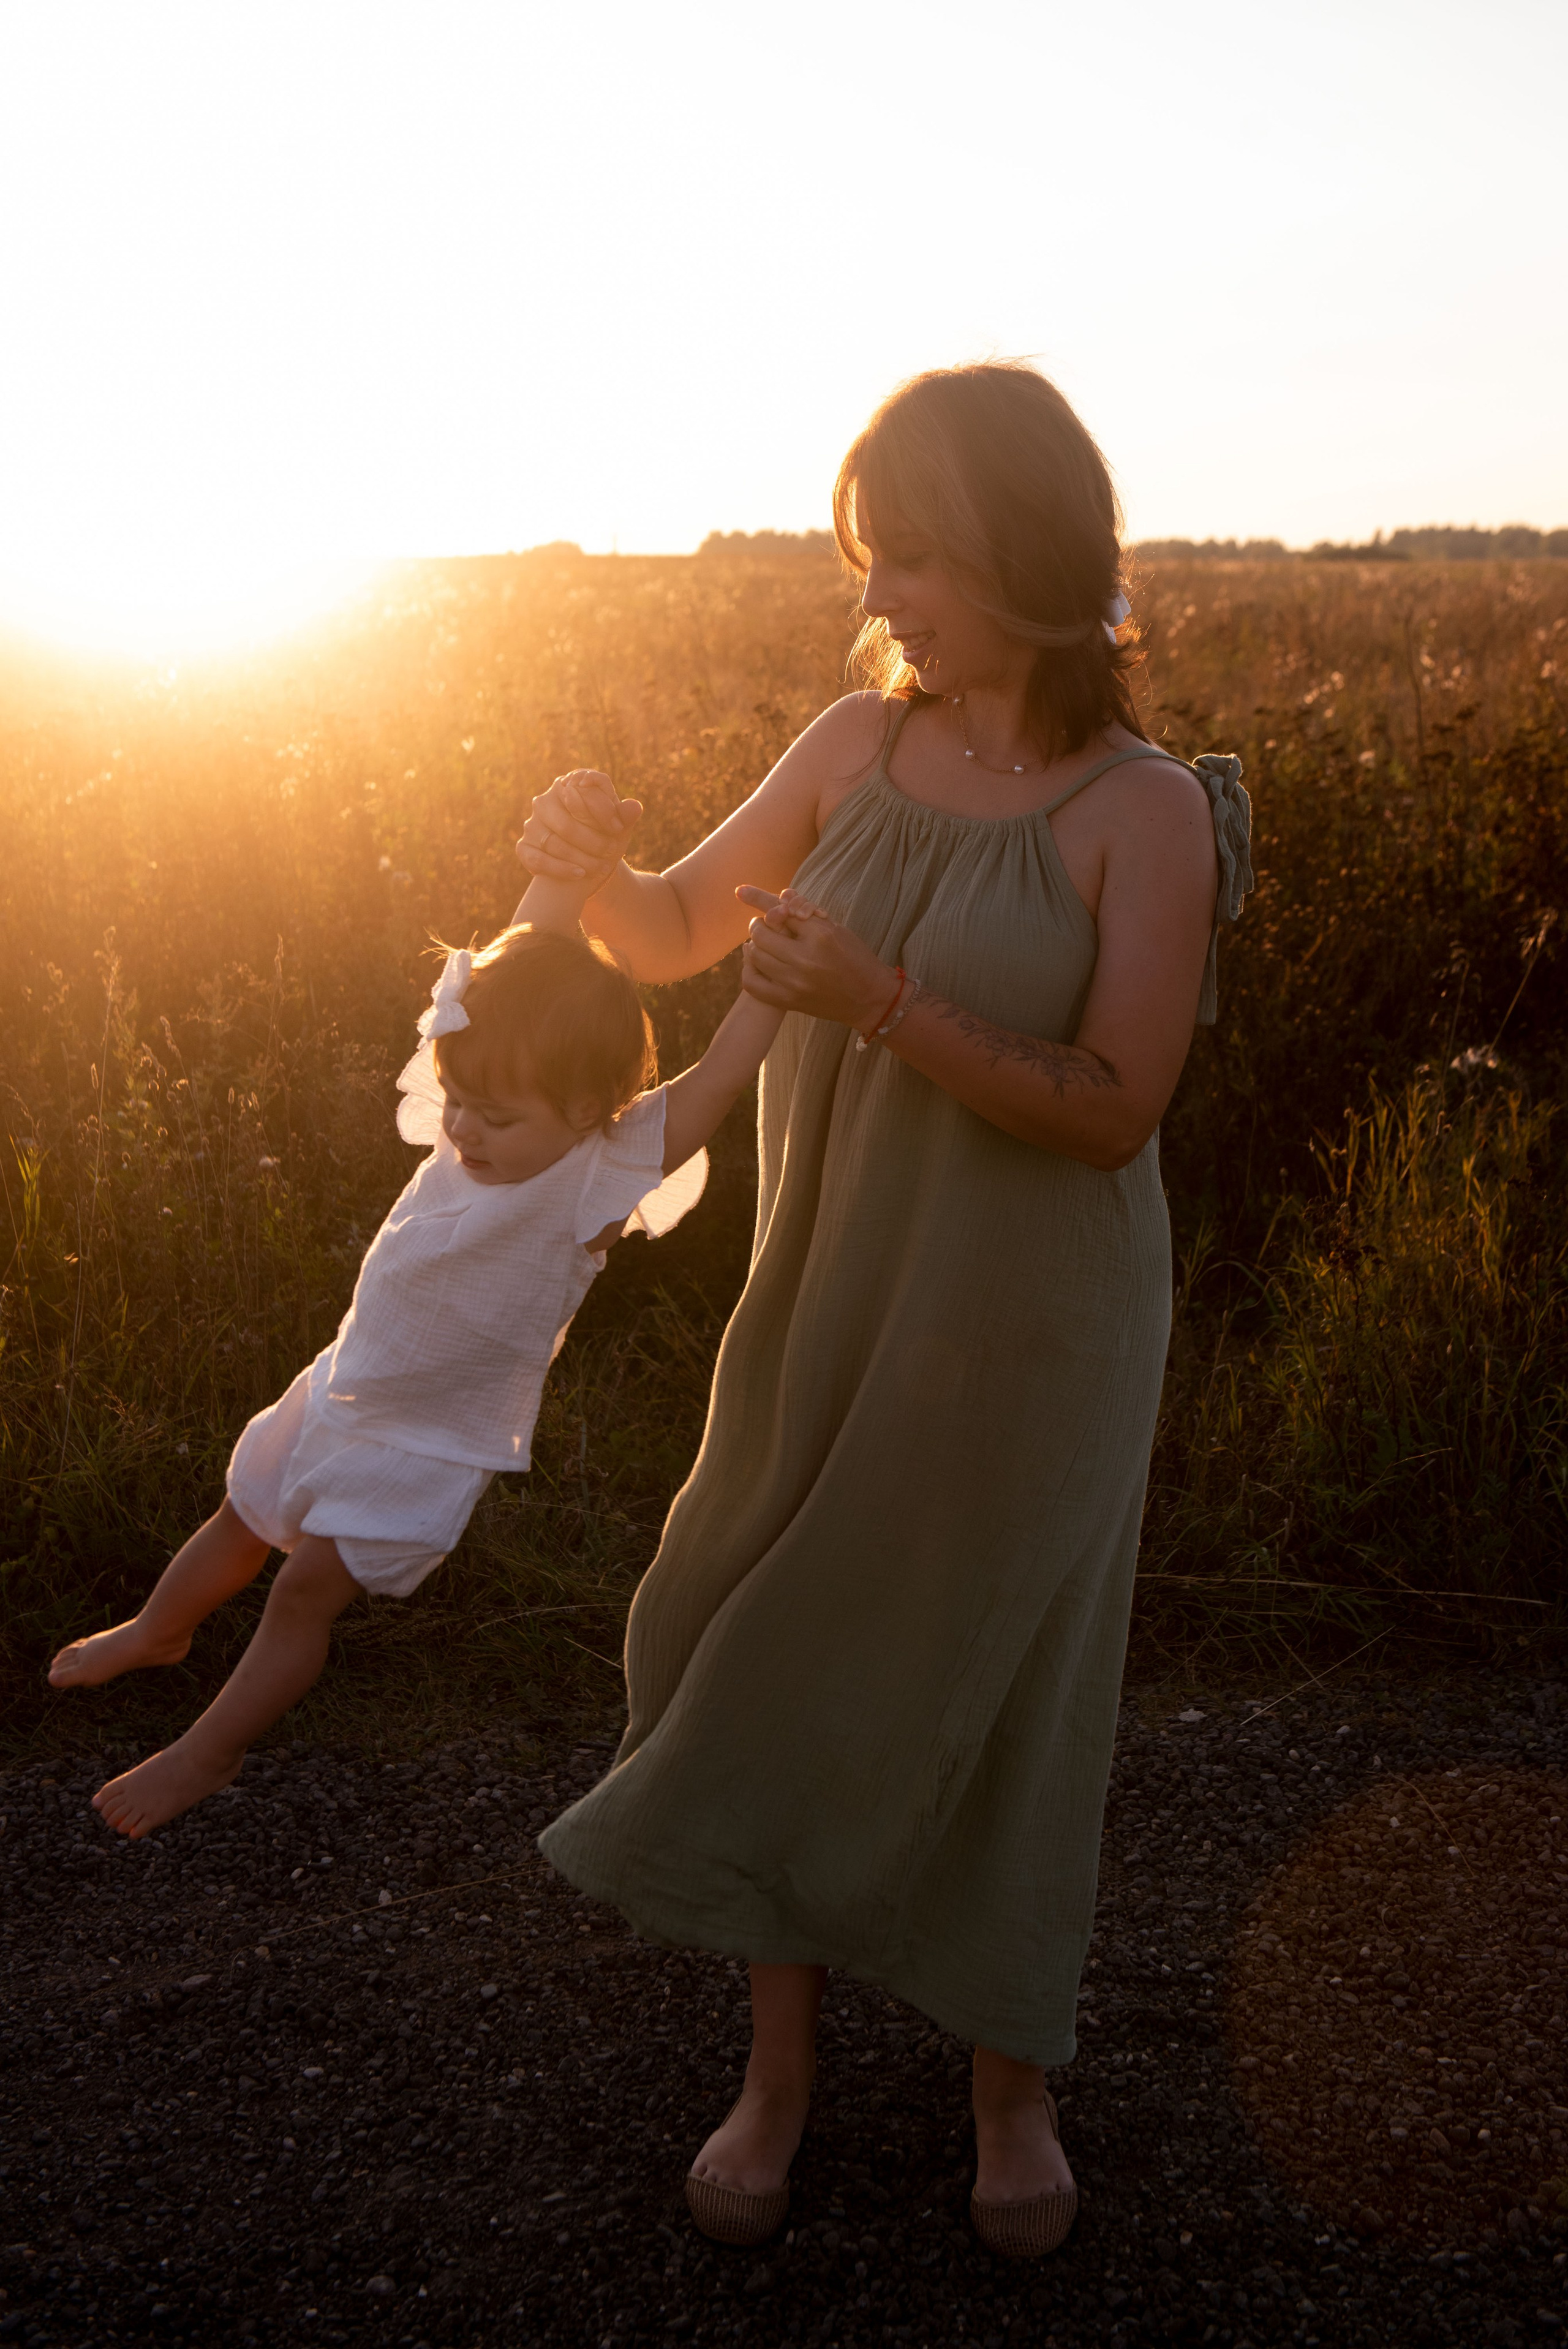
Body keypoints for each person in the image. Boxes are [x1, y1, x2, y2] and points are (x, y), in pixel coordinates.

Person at [514, 361, 1253, 2256]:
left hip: (1040, 1327)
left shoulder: (1145, 809)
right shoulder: (852, 745)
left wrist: (889, 1008)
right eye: (874, 552)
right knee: (761, 1633)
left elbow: (1117, 1107)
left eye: (916, 552)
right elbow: (675, 930)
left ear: (1029, 548)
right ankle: (780, 2074)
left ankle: (1012, 2086)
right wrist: (590, 873)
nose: (883, 591)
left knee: (1004, 1678)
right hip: (836, 1290)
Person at [48, 811, 783, 1841]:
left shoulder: (594, 1182)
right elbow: (526, 953)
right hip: (345, 1384)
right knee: (241, 1513)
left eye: (495, 1116)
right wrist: (568, 863)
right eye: (460, 1101)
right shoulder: (482, 1114)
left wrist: (771, 987)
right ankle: (158, 1630)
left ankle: (207, 1754)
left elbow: (715, 1083)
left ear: (589, 1111)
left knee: (303, 1592)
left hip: (428, 1439)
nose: (465, 1129)